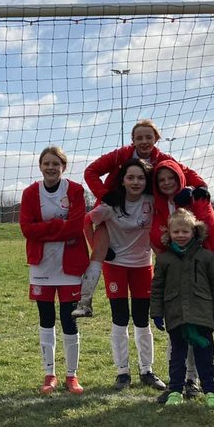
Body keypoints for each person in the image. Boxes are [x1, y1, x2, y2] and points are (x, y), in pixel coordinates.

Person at [75, 120, 207, 317]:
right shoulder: (121, 155)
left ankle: (173, 296)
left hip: (148, 208)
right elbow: (91, 171)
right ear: (133, 140)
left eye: (149, 137)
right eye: (139, 138)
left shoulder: (162, 158)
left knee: (160, 245)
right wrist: (104, 194)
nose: (144, 141)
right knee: (100, 251)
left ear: (156, 139)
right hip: (116, 206)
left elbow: (184, 173)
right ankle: (85, 301)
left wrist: (199, 186)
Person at [149, 156, 214, 397]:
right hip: (174, 270)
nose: (166, 183)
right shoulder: (156, 204)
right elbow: (155, 234)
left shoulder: (197, 196)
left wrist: (195, 195)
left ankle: (193, 381)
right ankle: (177, 383)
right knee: (178, 337)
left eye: (170, 178)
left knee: (198, 330)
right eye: (161, 179)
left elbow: (207, 222)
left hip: (199, 269)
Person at [86, 157, 166, 391]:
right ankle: (122, 372)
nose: (136, 182)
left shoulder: (151, 201)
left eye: (140, 178)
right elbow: (86, 222)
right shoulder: (111, 205)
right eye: (130, 177)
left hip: (143, 266)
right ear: (122, 181)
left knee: (142, 319)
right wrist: (98, 248)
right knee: (120, 318)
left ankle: (147, 370)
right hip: (116, 266)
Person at [19, 146, 89, 395]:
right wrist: (60, 226)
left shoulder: (76, 190)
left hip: (70, 265)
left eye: (55, 164)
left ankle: (72, 375)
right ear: (40, 166)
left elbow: (76, 227)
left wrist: (47, 228)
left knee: (70, 319)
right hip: (42, 265)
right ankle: (49, 374)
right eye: (46, 163)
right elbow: (27, 229)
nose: (51, 168)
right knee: (46, 319)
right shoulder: (30, 193)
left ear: (63, 167)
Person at [151, 210, 214, 409]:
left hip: (202, 315)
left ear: (194, 232)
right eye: (176, 232)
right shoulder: (164, 259)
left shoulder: (207, 257)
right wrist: (157, 313)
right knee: (177, 356)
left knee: (205, 356)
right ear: (169, 233)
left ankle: (210, 391)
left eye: (185, 231)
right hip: (176, 316)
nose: (181, 235)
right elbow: (157, 288)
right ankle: (175, 390)